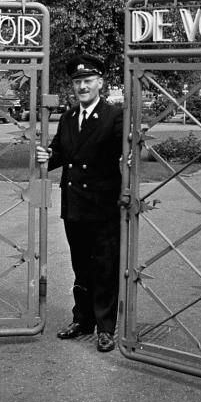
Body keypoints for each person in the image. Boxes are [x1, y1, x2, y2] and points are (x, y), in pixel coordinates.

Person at [35, 54, 124, 353]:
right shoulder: (69, 117)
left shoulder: (114, 116)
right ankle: (82, 320)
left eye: (88, 81)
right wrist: (48, 156)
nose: (82, 87)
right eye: (77, 82)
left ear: (100, 83)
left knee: (105, 268)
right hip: (74, 207)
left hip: (102, 207)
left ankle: (106, 328)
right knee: (80, 267)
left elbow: (124, 151)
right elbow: (61, 153)